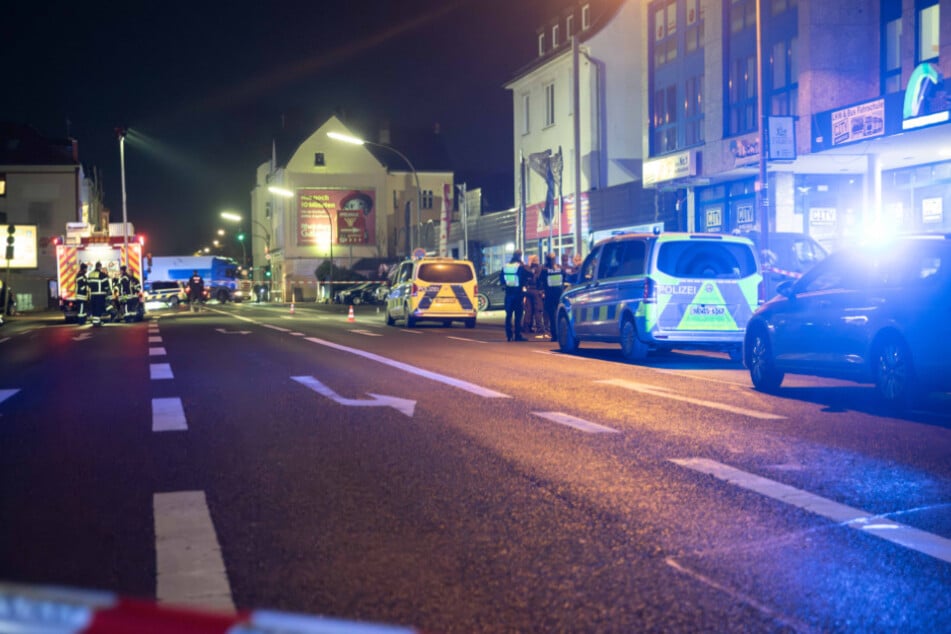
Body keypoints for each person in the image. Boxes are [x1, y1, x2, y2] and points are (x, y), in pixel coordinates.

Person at [500, 250, 531, 342]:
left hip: (508, 293)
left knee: (508, 315)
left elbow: (502, 279)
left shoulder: (506, 266)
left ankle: (509, 335)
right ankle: (517, 335)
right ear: (520, 256)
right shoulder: (520, 266)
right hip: (518, 294)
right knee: (518, 315)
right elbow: (527, 275)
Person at [539, 252, 564, 341]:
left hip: (549, 295)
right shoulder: (560, 268)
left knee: (551, 316)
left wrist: (541, 290)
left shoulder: (545, 270)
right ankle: (561, 334)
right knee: (559, 314)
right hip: (559, 294)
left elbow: (539, 281)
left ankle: (554, 335)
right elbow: (565, 278)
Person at [522, 254, 544, 336]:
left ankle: (526, 328)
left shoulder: (526, 268)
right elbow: (541, 280)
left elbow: (523, 279)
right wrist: (542, 291)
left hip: (528, 290)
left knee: (528, 310)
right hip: (537, 291)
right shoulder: (540, 268)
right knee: (538, 310)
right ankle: (539, 328)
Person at [86, 261, 111, 326]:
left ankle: (95, 321)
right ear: (100, 267)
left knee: (94, 308)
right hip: (100, 295)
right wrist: (108, 293)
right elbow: (106, 286)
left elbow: (88, 284)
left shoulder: (90, 274)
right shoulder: (102, 275)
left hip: (93, 294)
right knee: (99, 308)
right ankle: (97, 322)